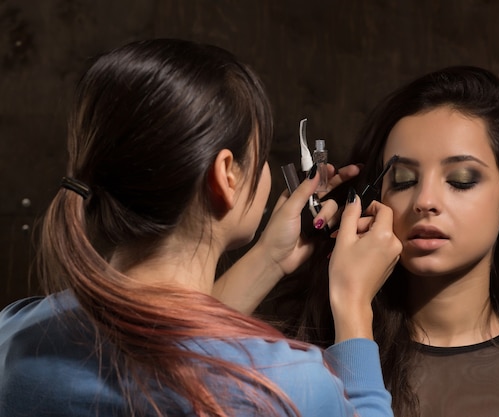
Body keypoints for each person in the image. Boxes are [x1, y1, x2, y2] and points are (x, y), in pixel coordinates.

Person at [0, 39, 402, 417]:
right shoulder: (287, 385)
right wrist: (352, 302)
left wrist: (270, 259)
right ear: (226, 175)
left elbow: (171, 341)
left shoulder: (14, 333)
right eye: (260, 155)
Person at [261, 66, 499, 416]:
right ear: (375, 200)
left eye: (460, 179)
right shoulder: (302, 359)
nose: (425, 200)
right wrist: (270, 261)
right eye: (402, 179)